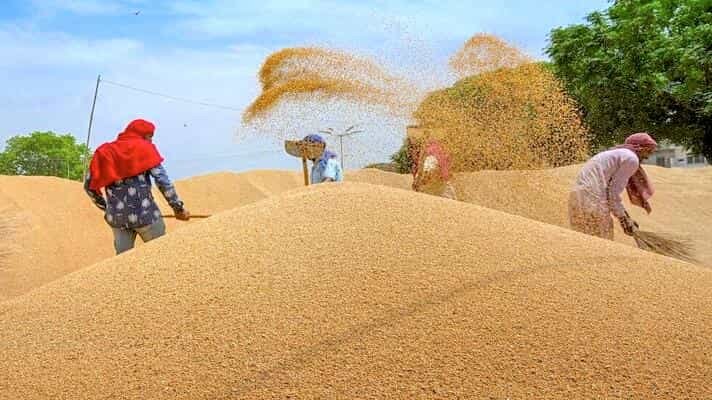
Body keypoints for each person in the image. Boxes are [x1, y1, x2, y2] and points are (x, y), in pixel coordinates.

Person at [84, 119, 190, 254]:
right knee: (161, 255)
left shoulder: (104, 152)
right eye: (150, 136)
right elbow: (162, 181)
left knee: (122, 261)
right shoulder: (145, 148)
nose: (151, 141)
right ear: (142, 135)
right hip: (146, 216)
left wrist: (107, 208)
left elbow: (89, 187)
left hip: (118, 220)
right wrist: (178, 208)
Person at [569, 132, 657, 240]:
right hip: (593, 199)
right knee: (604, 241)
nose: (647, 157)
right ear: (640, 148)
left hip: (577, 197)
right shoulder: (631, 158)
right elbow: (613, 193)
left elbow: (609, 192)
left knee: (582, 241)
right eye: (648, 151)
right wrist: (623, 219)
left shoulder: (617, 154)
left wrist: (625, 217)